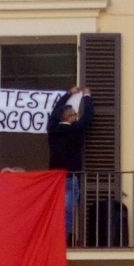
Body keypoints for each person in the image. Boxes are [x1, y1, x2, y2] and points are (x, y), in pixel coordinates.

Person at [47, 86, 94, 241]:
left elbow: (55, 112)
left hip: (54, 177)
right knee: (67, 210)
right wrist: (87, 97)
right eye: (74, 114)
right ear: (71, 117)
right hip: (71, 175)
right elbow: (88, 116)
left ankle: (53, 235)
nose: (76, 116)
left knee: (55, 208)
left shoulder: (53, 129)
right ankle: (63, 239)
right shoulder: (76, 129)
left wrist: (68, 94)